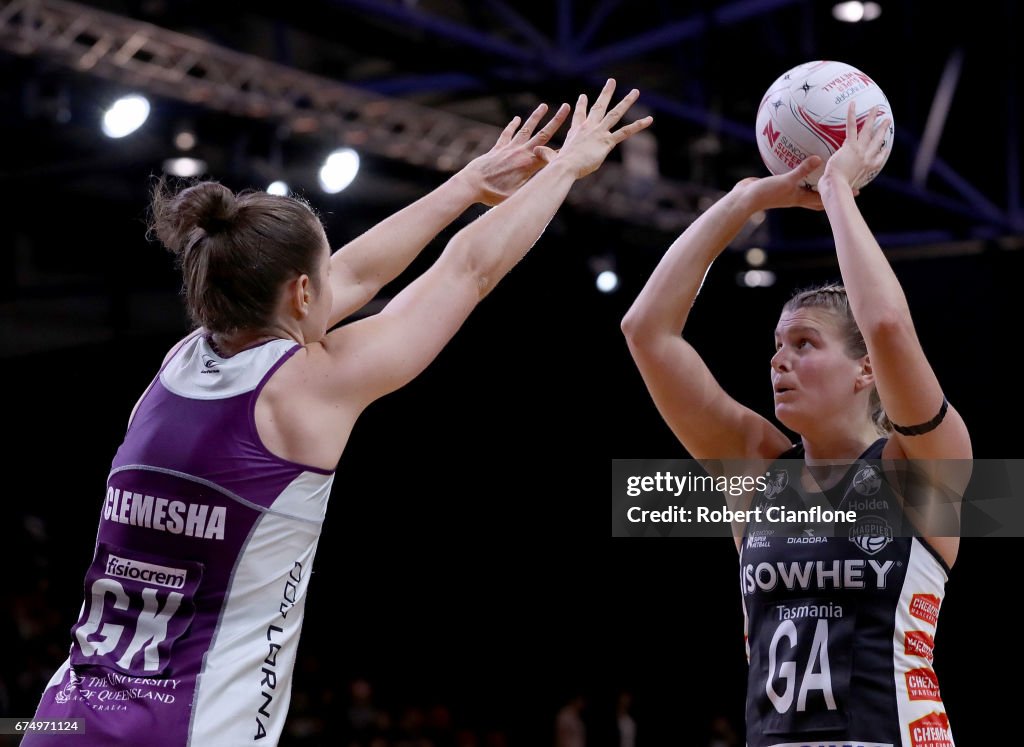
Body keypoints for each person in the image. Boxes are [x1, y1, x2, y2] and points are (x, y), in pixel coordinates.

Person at [23, 79, 652, 746]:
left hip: (61, 718)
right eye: (322, 277)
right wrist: (566, 169)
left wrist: (467, 184)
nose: (340, 282)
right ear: (299, 293)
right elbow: (467, 271)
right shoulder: (303, 391)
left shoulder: (176, 366)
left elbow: (353, 278)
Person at [621, 104, 970, 746]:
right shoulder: (756, 469)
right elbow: (646, 332)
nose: (779, 360)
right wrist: (741, 202)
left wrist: (839, 190)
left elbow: (888, 326)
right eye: (777, 347)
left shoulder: (919, 465)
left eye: (805, 344)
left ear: (865, 371)